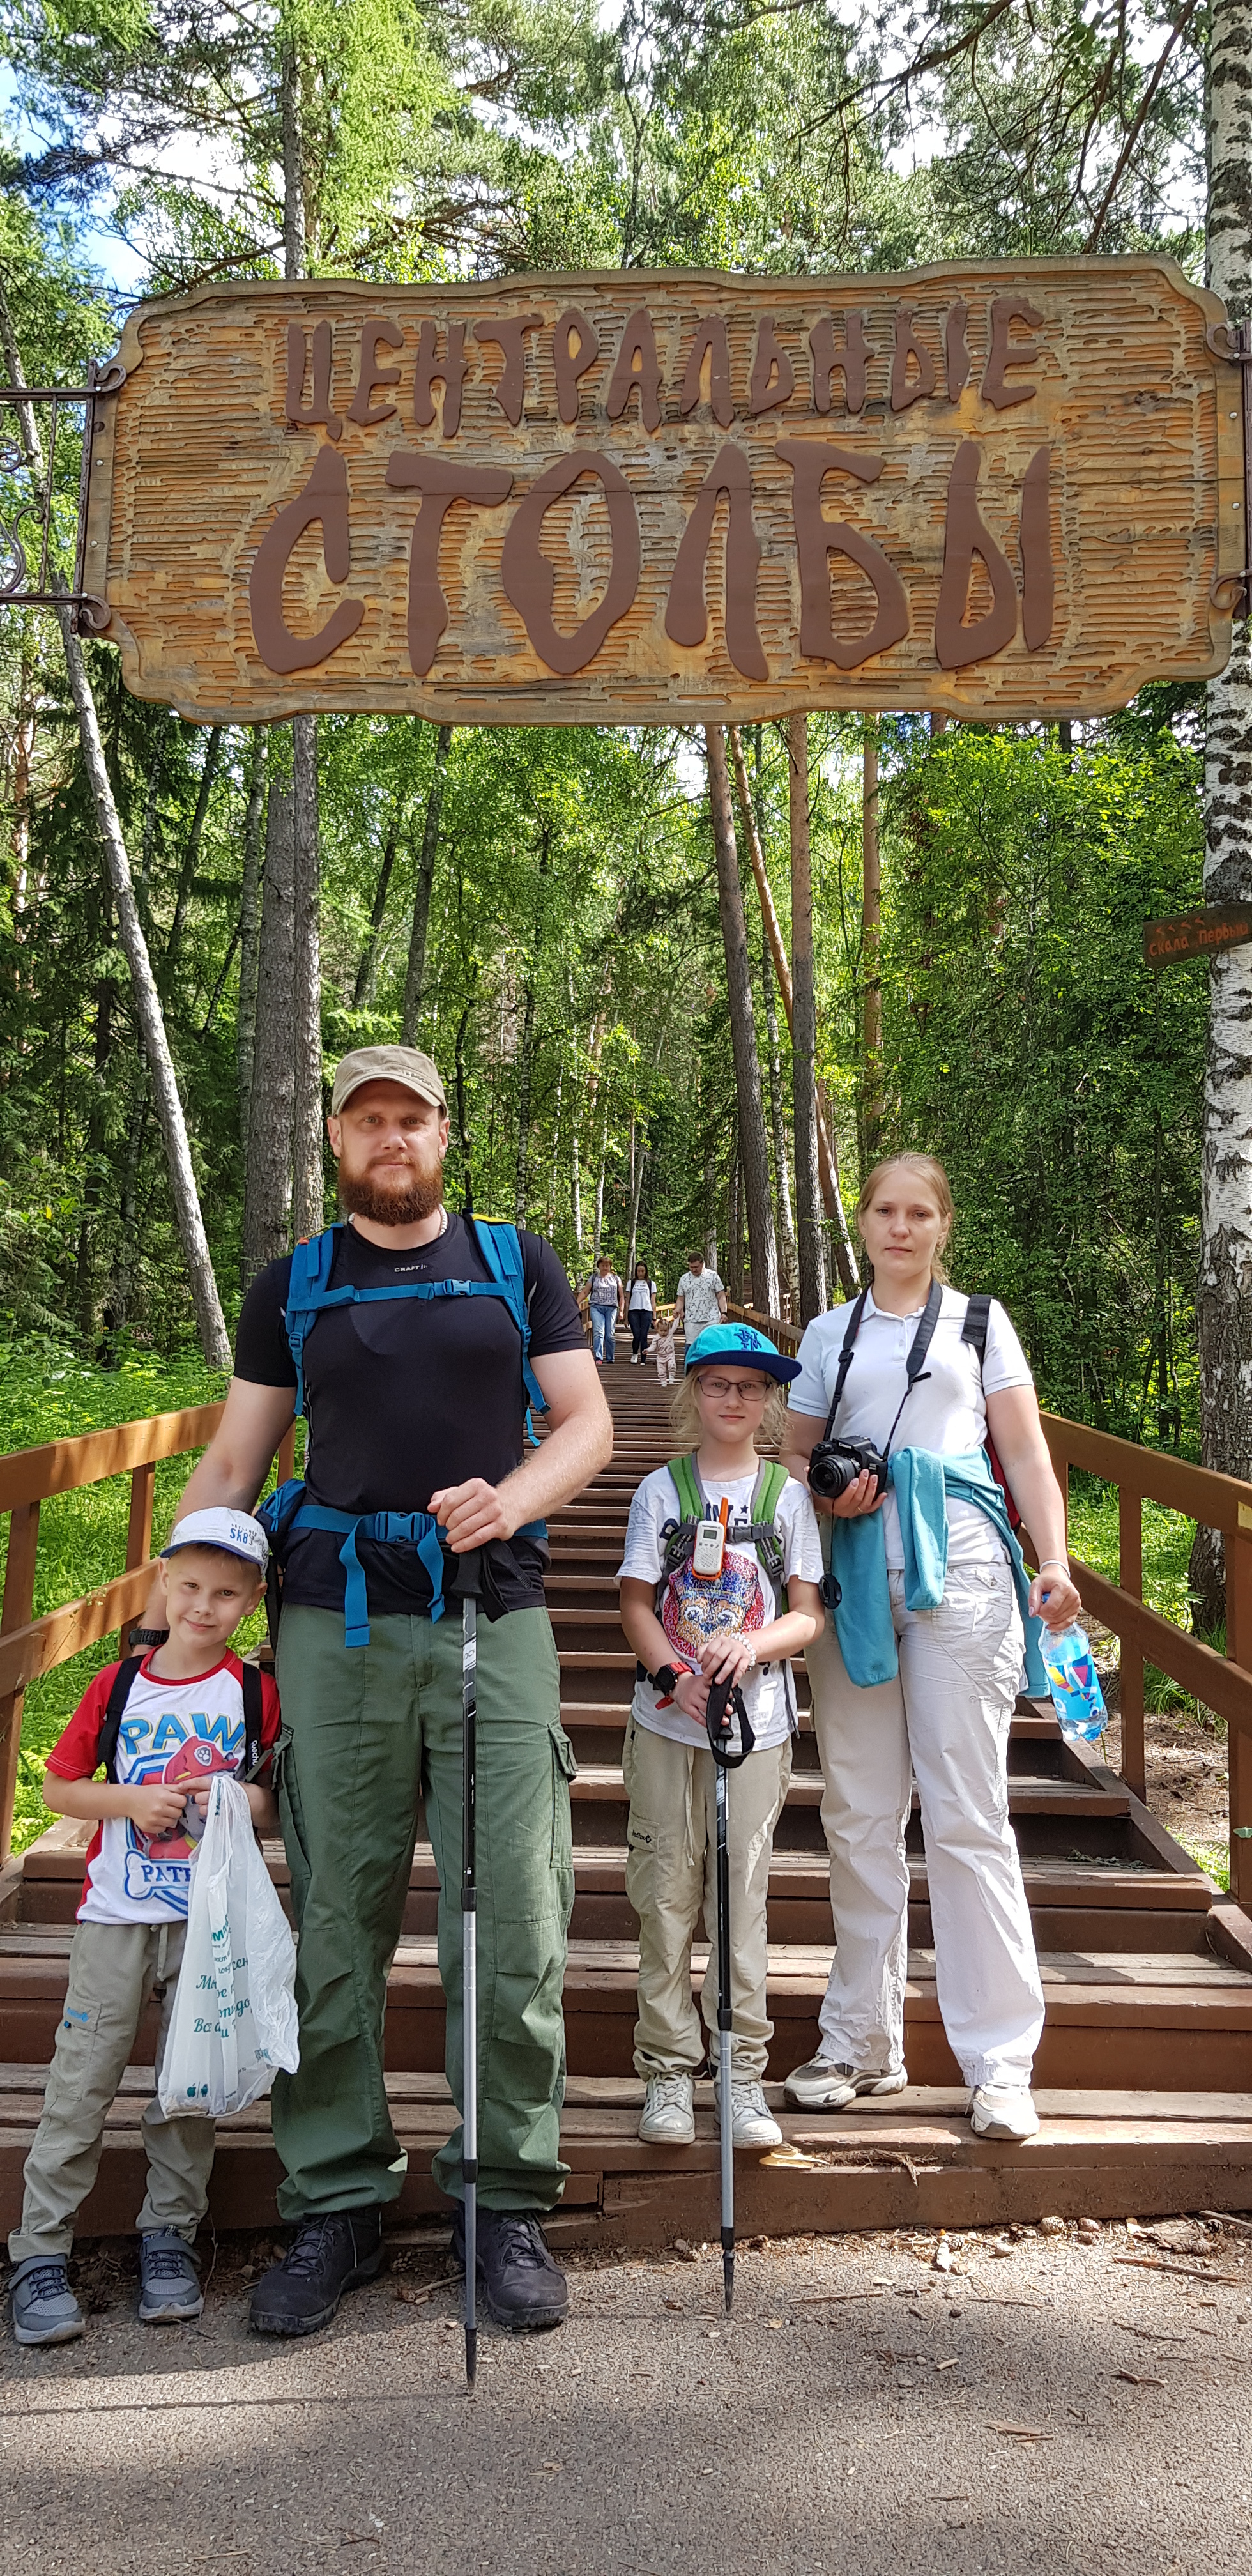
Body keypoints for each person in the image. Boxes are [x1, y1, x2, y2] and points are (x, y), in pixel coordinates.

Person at [141, 1046, 613, 2340]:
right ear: (337, 1141)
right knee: (335, 1921)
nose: (389, 1139)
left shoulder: (518, 1265)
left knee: (511, 1913)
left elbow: (585, 1426)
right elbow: (236, 1457)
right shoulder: (292, 1285)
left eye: (411, 1118)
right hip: (327, 1623)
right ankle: (337, 2199)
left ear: (443, 1134)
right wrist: (169, 1627)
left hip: (492, 1617)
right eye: (366, 1121)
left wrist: (509, 1499)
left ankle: (501, 2196)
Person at [779, 1153, 1083, 2145]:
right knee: (860, 1810)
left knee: (968, 1813)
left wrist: (1056, 1559)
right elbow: (794, 1450)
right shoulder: (832, 1331)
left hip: (964, 1572)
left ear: (943, 1226)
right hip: (857, 1577)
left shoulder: (983, 1325)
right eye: (884, 1211)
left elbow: (1025, 1448)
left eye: (919, 1213)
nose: (900, 1227)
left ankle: (999, 2061)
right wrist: (825, 1490)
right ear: (862, 1223)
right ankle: (860, 2041)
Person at [8, 1510, 279, 2347]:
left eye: (226, 1593)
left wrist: (230, 1800)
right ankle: (41, 2253)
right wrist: (130, 1801)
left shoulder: (250, 1691)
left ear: (251, 1601)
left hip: (207, 1928)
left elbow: (268, 1802)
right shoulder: (119, 1687)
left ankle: (170, 2238)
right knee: (80, 2082)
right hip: (115, 1919)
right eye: (190, 1586)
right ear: (163, 1582)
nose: (204, 1606)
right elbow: (59, 1791)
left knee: (187, 2085)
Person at [617, 1324, 824, 2150]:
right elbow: (636, 1602)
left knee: (741, 1902)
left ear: (769, 1401)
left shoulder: (787, 1499)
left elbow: (806, 1614)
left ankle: (740, 2076)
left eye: (750, 1387)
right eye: (718, 1385)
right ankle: (668, 2072)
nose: (733, 1400)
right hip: (668, 1725)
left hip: (757, 1728)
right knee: (666, 1894)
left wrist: (752, 1645)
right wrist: (673, 1672)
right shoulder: (660, 1494)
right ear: (692, 1392)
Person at [674, 1252, 726, 1341]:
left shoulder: (713, 1276)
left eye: (696, 1267)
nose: (694, 1270)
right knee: (692, 1349)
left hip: (711, 1319)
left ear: (702, 1264)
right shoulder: (684, 1279)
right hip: (691, 1321)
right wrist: (678, 1310)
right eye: (691, 1267)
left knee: (711, 1346)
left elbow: (721, 1296)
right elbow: (681, 1299)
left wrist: (724, 1313)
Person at [584, 1254, 625, 1364]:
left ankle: (610, 1358)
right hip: (596, 1307)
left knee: (610, 1334)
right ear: (599, 1266)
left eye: (607, 1265)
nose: (605, 1267)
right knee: (599, 1332)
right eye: (603, 1265)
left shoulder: (616, 1279)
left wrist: (621, 1311)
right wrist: (576, 1304)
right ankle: (599, 1357)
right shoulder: (593, 1278)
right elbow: (585, 1291)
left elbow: (621, 1296)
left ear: (610, 1267)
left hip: (612, 1309)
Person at [627, 1261, 657, 1364]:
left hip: (647, 1311)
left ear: (646, 1272)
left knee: (644, 1335)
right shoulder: (631, 1283)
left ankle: (643, 1359)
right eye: (639, 1271)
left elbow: (653, 1302)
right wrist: (625, 1317)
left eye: (643, 1271)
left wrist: (654, 1317)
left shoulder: (651, 1284)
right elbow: (627, 1300)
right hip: (633, 1311)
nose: (640, 1273)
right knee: (637, 1334)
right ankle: (635, 1354)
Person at [648, 1313, 678, 1388]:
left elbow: (675, 1326)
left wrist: (677, 1318)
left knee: (672, 1365)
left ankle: (671, 1378)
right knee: (661, 1370)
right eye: (661, 1331)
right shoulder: (656, 1338)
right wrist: (648, 1350)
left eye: (665, 1331)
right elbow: (653, 1346)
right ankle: (663, 1381)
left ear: (668, 1330)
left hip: (670, 1354)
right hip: (661, 1356)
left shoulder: (670, 1334)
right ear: (657, 1329)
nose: (664, 1333)